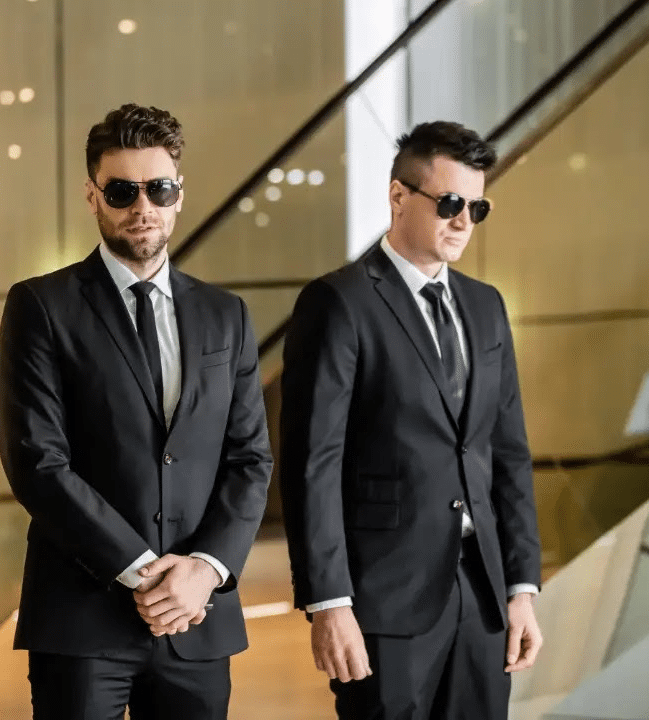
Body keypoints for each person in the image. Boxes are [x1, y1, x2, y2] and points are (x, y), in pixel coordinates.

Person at [0, 103, 273, 720]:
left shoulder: (227, 315)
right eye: (122, 191)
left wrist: (204, 570)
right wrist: (147, 574)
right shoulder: (41, 307)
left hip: (198, 621)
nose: (141, 206)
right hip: (81, 620)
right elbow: (37, 462)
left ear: (179, 196)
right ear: (93, 197)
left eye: (158, 189)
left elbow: (251, 459)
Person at [279, 120, 543, 720]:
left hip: (482, 596)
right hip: (383, 601)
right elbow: (311, 463)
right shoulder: (338, 302)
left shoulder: (486, 305)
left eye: (477, 206)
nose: (463, 221)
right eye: (449, 202)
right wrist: (328, 601)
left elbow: (508, 454)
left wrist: (521, 589)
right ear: (398, 196)